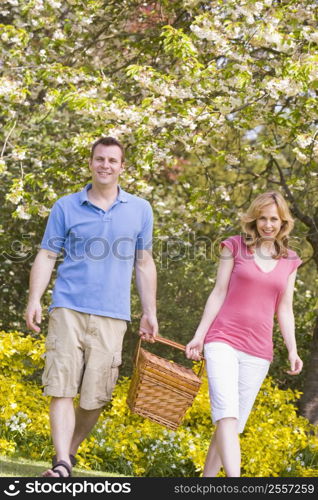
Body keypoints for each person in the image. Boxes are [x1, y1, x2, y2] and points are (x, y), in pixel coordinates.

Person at [25, 136, 158, 477]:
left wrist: (149, 312)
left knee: (95, 396)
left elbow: (144, 263)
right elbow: (47, 255)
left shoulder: (140, 209)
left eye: (112, 161)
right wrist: (34, 299)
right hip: (67, 307)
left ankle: (68, 451)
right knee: (61, 385)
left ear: (121, 167)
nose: (105, 166)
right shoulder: (66, 206)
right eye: (100, 159)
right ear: (90, 163)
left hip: (113, 314)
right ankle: (61, 462)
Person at [185, 191, 303, 477]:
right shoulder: (235, 247)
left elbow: (284, 309)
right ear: (253, 219)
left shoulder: (290, 259)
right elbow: (218, 293)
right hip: (222, 339)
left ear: (283, 221)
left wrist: (292, 350)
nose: (267, 224)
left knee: (232, 425)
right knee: (226, 413)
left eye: (274, 218)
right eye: (262, 218)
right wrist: (200, 335)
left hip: (259, 351)